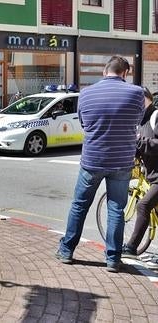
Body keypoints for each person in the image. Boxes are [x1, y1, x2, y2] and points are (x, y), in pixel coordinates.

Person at [56, 56, 145, 272]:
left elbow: (85, 124)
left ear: (105, 71)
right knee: (116, 209)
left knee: (79, 205)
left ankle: (67, 251)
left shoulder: (86, 93)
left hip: (92, 160)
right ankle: (113, 259)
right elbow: (138, 121)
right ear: (125, 73)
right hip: (122, 161)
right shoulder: (136, 93)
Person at [123, 88, 158, 265]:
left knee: (143, 206)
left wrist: (139, 143)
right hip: (152, 175)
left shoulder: (155, 116)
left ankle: (131, 248)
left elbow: (151, 144)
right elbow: (139, 147)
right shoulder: (141, 120)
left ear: (144, 99)